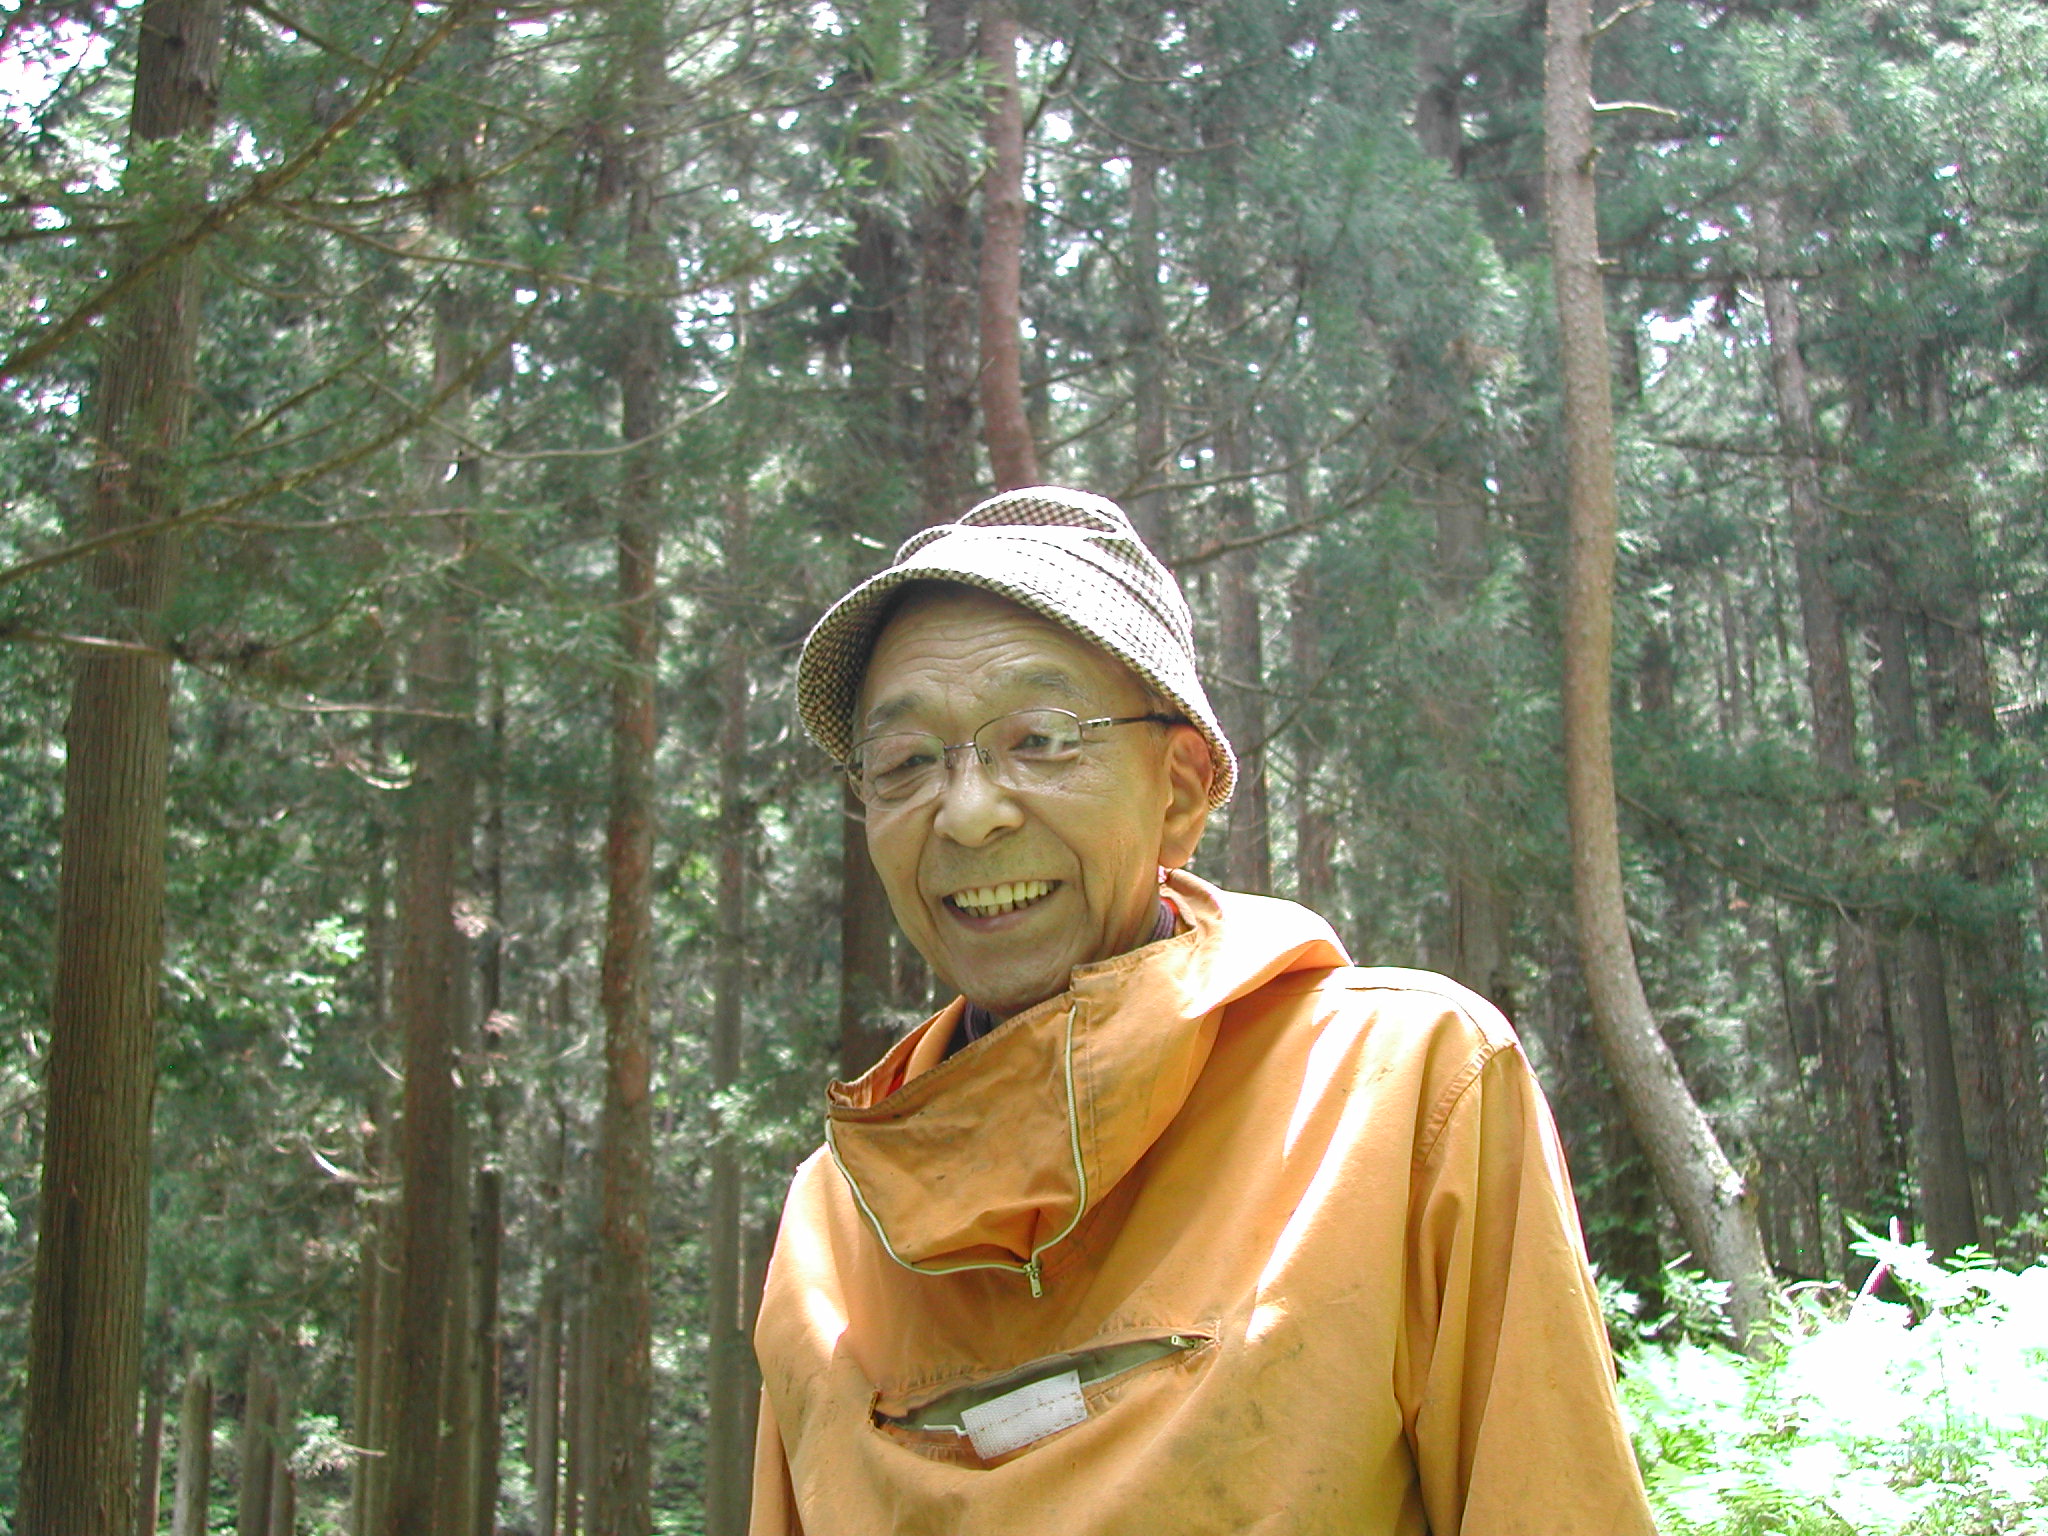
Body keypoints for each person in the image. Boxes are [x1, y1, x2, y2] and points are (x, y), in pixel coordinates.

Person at [749, 486, 1657, 1535]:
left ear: (1178, 790)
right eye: (905, 762)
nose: (966, 812)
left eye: (1039, 739)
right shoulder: (836, 1221)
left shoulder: (1399, 1094)